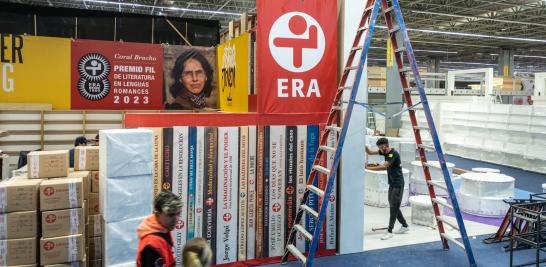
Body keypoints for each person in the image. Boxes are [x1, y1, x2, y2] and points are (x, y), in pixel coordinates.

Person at [365, 137, 409, 240]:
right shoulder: (385, 152)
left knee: (393, 207)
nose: (379, 149)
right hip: (392, 183)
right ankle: (405, 225)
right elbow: (370, 152)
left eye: (380, 147)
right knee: (394, 205)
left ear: (385, 146)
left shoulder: (392, 154)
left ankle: (390, 231)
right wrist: (363, 144)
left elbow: (384, 166)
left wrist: (368, 168)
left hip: (398, 184)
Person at [137, 191, 182, 267]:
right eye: (170, 215)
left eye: (178, 214)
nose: (176, 219)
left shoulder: (163, 229)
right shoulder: (151, 244)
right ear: (157, 214)